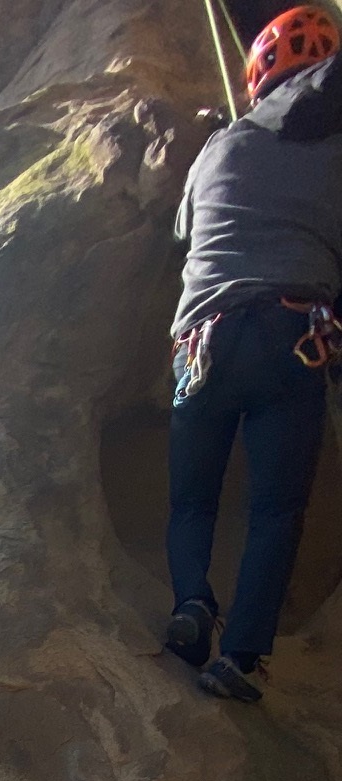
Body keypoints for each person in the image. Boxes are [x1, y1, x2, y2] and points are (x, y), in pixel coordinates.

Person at [164, 6, 342, 703]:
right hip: (291, 332)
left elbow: (183, 235)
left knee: (192, 503)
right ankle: (240, 658)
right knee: (274, 509)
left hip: (202, 342)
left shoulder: (218, 147)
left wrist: (224, 141)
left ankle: (193, 605)